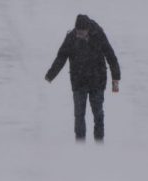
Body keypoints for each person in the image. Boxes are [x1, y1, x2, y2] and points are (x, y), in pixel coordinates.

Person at [45, 14, 121, 142]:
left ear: (88, 30)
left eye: (81, 33)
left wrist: (115, 80)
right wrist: (50, 75)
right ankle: (80, 145)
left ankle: (99, 143)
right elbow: (61, 57)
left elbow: (111, 56)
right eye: (77, 32)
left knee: (98, 114)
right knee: (79, 115)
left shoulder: (98, 34)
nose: (79, 35)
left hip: (97, 81)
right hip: (78, 81)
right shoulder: (71, 37)